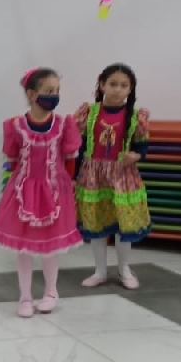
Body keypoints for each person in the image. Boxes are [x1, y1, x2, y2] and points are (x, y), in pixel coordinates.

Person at [0, 68, 82, 315]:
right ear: (31, 94)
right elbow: (13, 161)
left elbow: (70, 158)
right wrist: (15, 187)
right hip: (23, 192)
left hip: (54, 192)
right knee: (24, 248)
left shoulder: (63, 125)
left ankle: (51, 292)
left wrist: (69, 184)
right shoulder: (16, 126)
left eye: (57, 90)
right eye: (49, 90)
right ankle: (25, 297)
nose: (54, 95)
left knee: (50, 247)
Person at [73, 63, 151, 289]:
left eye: (124, 85)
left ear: (130, 89)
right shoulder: (89, 113)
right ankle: (100, 271)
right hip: (93, 177)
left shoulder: (135, 116)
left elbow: (142, 147)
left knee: (122, 225)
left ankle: (124, 268)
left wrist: (135, 156)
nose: (118, 89)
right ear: (102, 85)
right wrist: (74, 176)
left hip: (122, 178)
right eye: (113, 84)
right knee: (96, 224)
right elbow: (78, 147)